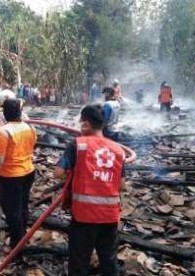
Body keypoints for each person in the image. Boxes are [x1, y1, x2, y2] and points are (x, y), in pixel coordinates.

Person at [54, 104, 126, 276]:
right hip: (110, 216)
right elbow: (121, 185)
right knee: (109, 261)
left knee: (79, 264)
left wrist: (77, 175)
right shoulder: (118, 149)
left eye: (81, 122)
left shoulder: (78, 145)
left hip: (84, 217)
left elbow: (58, 173)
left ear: (86, 123)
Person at [0, 98, 37, 250]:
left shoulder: (2, 132)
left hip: (10, 177)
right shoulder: (30, 128)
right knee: (23, 206)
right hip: (28, 172)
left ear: (4, 113)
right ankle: (22, 235)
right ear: (20, 112)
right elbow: (33, 144)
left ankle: (17, 244)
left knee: (11, 210)